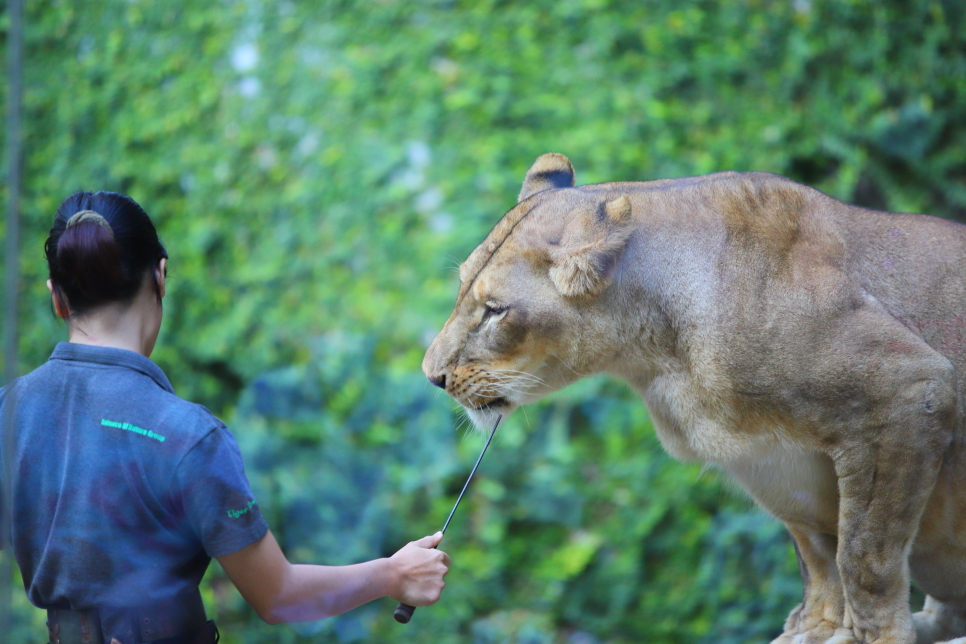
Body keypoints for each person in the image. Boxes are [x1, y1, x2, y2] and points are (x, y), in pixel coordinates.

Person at [0, 191, 450, 644]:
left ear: (56, 298)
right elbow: (278, 597)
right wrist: (393, 575)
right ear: (160, 277)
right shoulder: (188, 437)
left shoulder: (8, 410)